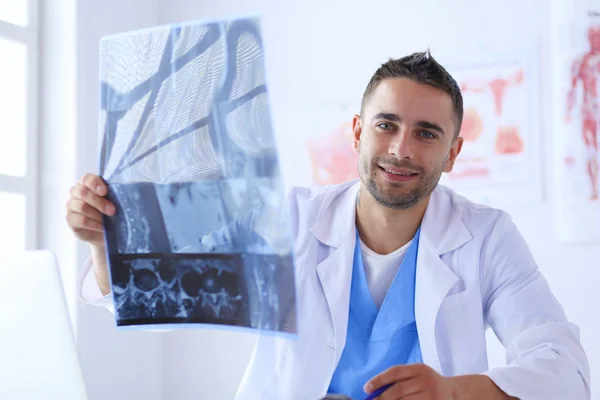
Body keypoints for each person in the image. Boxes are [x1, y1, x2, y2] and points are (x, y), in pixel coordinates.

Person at [67, 51, 590, 400]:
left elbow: (567, 370)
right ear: (358, 132)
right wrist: (101, 242)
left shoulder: (487, 236)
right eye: (386, 125)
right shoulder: (291, 218)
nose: (401, 149)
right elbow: (164, 295)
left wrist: (454, 391)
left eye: (427, 133)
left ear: (453, 152)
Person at [566, 24, 600, 201]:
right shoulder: (581, 62)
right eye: (593, 36)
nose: (597, 40)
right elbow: (571, 89)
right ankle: (593, 187)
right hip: (589, 113)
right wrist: (568, 111)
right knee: (590, 151)